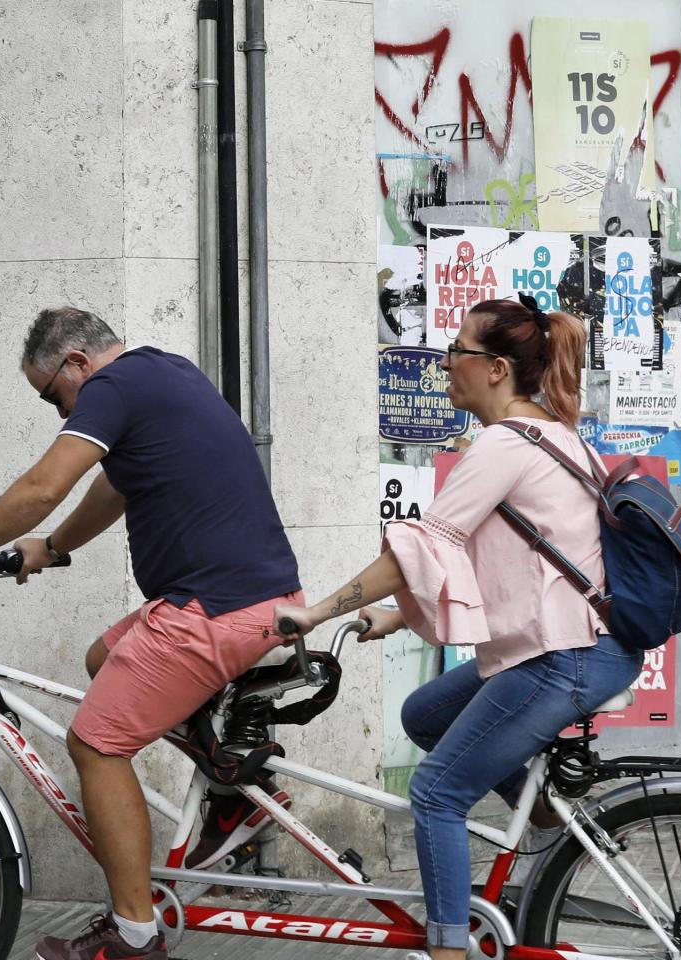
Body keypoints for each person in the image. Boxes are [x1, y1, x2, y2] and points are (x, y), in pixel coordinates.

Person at [0, 306, 301, 960]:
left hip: (210, 612)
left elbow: (44, 486)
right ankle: (232, 793)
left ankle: (133, 935)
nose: (60, 412)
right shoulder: (166, 374)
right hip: (260, 600)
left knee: (94, 744)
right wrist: (54, 548)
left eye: (51, 395)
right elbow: (114, 488)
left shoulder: (113, 387)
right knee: (106, 658)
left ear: (76, 363)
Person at [272, 295, 644, 960]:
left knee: (438, 792)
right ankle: (549, 830)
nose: (446, 363)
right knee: (426, 713)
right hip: (586, 646)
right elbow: (486, 557)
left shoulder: (507, 444)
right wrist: (399, 614)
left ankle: (447, 950)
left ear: (496, 369)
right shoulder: (554, 435)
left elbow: (422, 545)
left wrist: (317, 610)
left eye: (458, 352)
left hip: (569, 655)